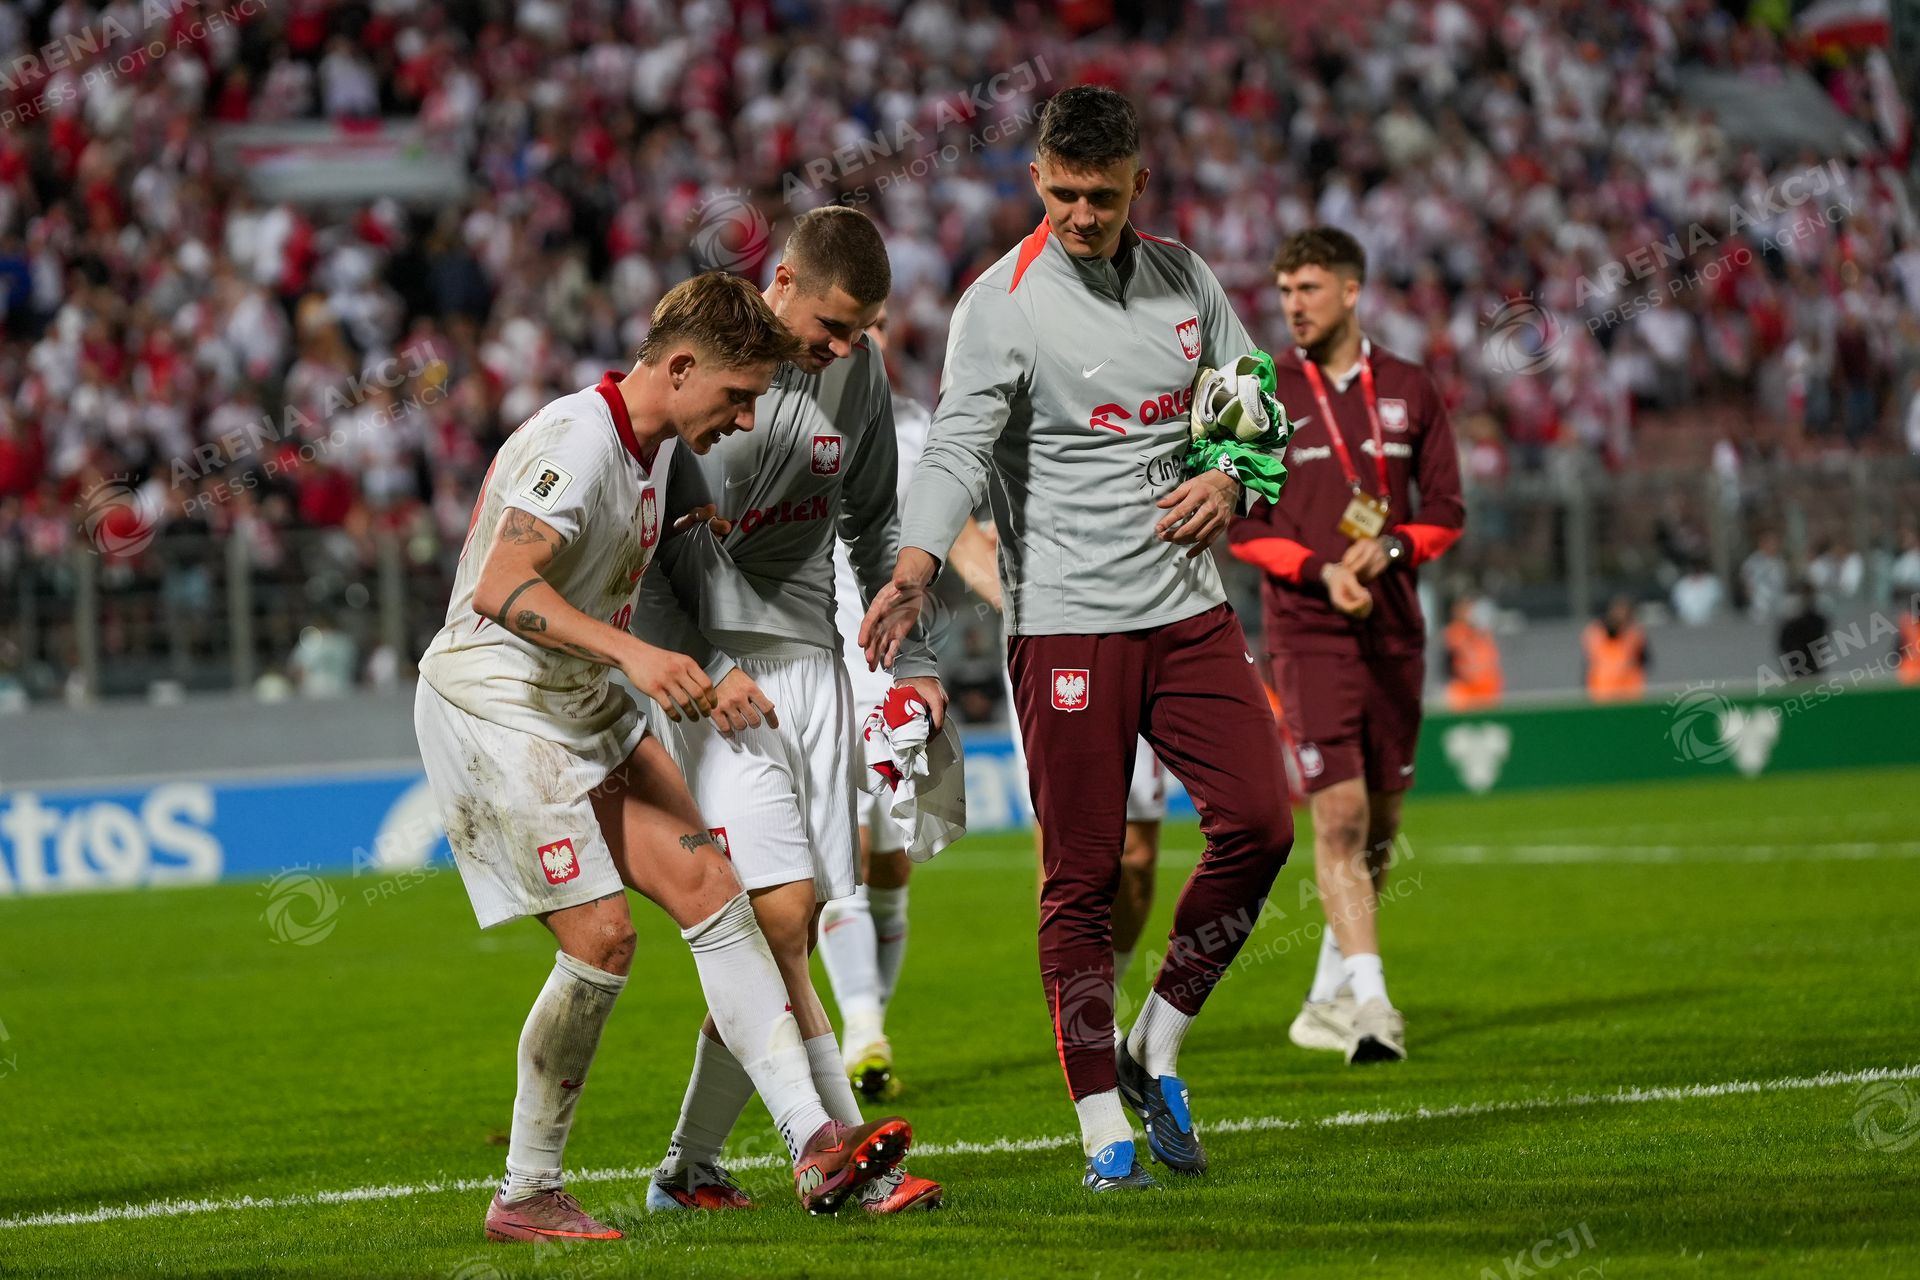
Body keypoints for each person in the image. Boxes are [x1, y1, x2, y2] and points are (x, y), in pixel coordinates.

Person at [412, 273, 910, 1241]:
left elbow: (664, 560)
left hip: (578, 699)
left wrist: (700, 651)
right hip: (497, 705)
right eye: (737, 395)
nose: (746, 416)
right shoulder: (577, 441)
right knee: (603, 940)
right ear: (679, 369)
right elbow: (501, 586)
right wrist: (635, 654)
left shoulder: (661, 450)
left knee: (715, 890)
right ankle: (526, 1192)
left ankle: (814, 1142)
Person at [859, 85, 1294, 1192]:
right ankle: (1101, 1114)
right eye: (1062, 194)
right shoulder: (999, 304)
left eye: (1102, 195)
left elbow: (1251, 397)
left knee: (1260, 823)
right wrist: (915, 565)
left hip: (1189, 612)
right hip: (1067, 624)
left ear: (1139, 182)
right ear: (1035, 180)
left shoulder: (1188, 278)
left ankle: (1156, 1041)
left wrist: (1231, 480)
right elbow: (957, 449)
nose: (1082, 215)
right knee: (1084, 877)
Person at [636, 211, 944, 1216]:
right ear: (781, 282)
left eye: (863, 330)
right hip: (714, 678)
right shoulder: (703, 365)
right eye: (833, 325)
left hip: (814, 669)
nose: (845, 347)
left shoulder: (859, 376)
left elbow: (875, 524)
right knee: (775, 918)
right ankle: (839, 1155)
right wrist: (696, 666)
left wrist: (914, 654)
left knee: (789, 927)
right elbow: (649, 544)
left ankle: (690, 1168)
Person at [1226, 226, 1464, 1066]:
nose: (1293, 305)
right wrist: (1321, 570)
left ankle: (1326, 996)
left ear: (1351, 291)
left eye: (1309, 288)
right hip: (1309, 630)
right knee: (1340, 816)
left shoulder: (1409, 386)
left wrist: (1392, 548)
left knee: (1383, 824)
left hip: (1394, 628)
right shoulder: (1260, 393)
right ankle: (1372, 1006)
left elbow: (1446, 511)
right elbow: (1242, 528)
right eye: (1285, 291)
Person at [814, 301, 939, 1108]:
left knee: (892, 861)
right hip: (813, 659)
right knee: (844, 852)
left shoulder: (922, 431)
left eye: (881, 322)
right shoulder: (782, 416)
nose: (868, 336)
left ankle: (869, 1028)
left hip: (896, 662)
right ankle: (861, 1029)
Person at [1583, 596, 1649, 701]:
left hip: (1630, 694)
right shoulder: (1596, 633)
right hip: (1602, 693)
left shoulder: (1634, 634)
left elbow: (1644, 660)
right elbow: (1589, 663)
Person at [1443, 595, 1502, 711]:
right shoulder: (1454, 632)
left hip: (1486, 688)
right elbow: (1452, 662)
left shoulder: (1484, 634)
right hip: (1465, 689)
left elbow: (1490, 661)